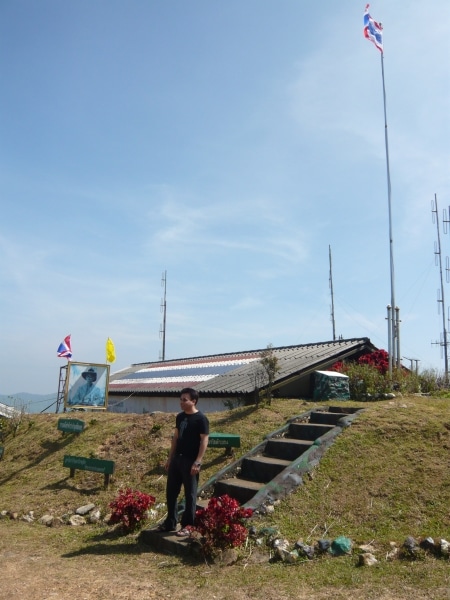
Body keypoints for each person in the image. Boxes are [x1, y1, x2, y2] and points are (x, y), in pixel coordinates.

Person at [158, 387, 209, 536]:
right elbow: (175, 437)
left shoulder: (201, 419)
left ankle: (188, 525)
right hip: (177, 460)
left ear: (194, 401)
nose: (181, 402)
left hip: (190, 461)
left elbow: (204, 440)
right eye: (180, 399)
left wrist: (198, 461)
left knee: (190, 494)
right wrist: (170, 458)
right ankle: (170, 522)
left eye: (185, 400)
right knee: (171, 492)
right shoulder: (180, 417)